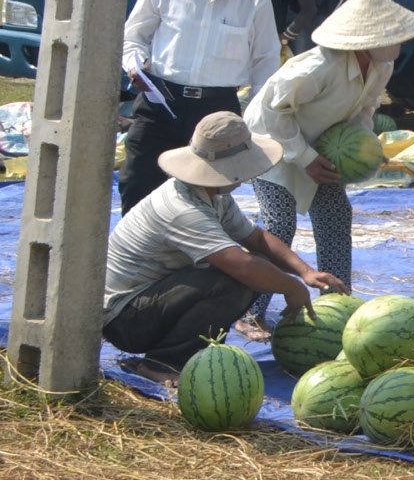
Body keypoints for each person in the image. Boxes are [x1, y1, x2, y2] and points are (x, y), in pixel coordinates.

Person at [100, 112, 348, 376]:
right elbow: (240, 266)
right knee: (235, 281)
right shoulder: (182, 209)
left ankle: (190, 354)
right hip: (126, 319)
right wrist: (290, 286)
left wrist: (305, 272)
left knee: (258, 267)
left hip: (150, 303)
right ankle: (163, 363)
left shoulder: (212, 195)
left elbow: (257, 239)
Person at [241, 0, 414, 325]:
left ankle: (337, 307)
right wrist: (306, 157)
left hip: (322, 147)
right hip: (272, 145)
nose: (399, 43)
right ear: (365, 40)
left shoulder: (382, 64)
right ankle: (249, 313)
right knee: (279, 227)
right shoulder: (319, 67)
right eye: (392, 37)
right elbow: (272, 112)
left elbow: (364, 109)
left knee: (336, 216)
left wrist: (361, 146)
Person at [118, 0, 282, 213]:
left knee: (210, 195)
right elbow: (133, 38)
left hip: (217, 110)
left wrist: (253, 118)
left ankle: (198, 260)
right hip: (159, 104)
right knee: (138, 182)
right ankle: (140, 257)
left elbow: (266, 63)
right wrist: (135, 63)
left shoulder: (255, 2)